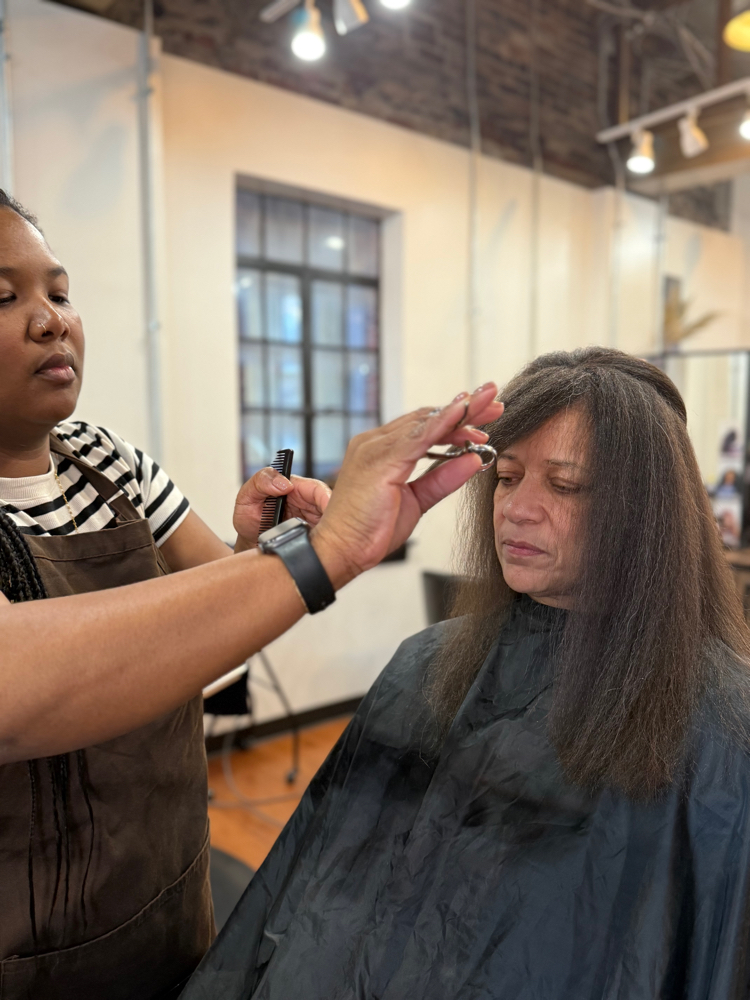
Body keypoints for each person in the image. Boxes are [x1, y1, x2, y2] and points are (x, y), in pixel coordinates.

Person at [0, 188, 503, 1000]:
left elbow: (215, 619)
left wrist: (263, 548)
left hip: (167, 897)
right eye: (5, 297)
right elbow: (14, 688)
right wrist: (329, 553)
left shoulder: (110, 462)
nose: (51, 319)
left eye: (59, 292)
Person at [184, 348, 750, 1000]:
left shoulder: (720, 728)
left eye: (564, 485)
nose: (517, 509)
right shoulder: (425, 666)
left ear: (644, 514)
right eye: (507, 479)